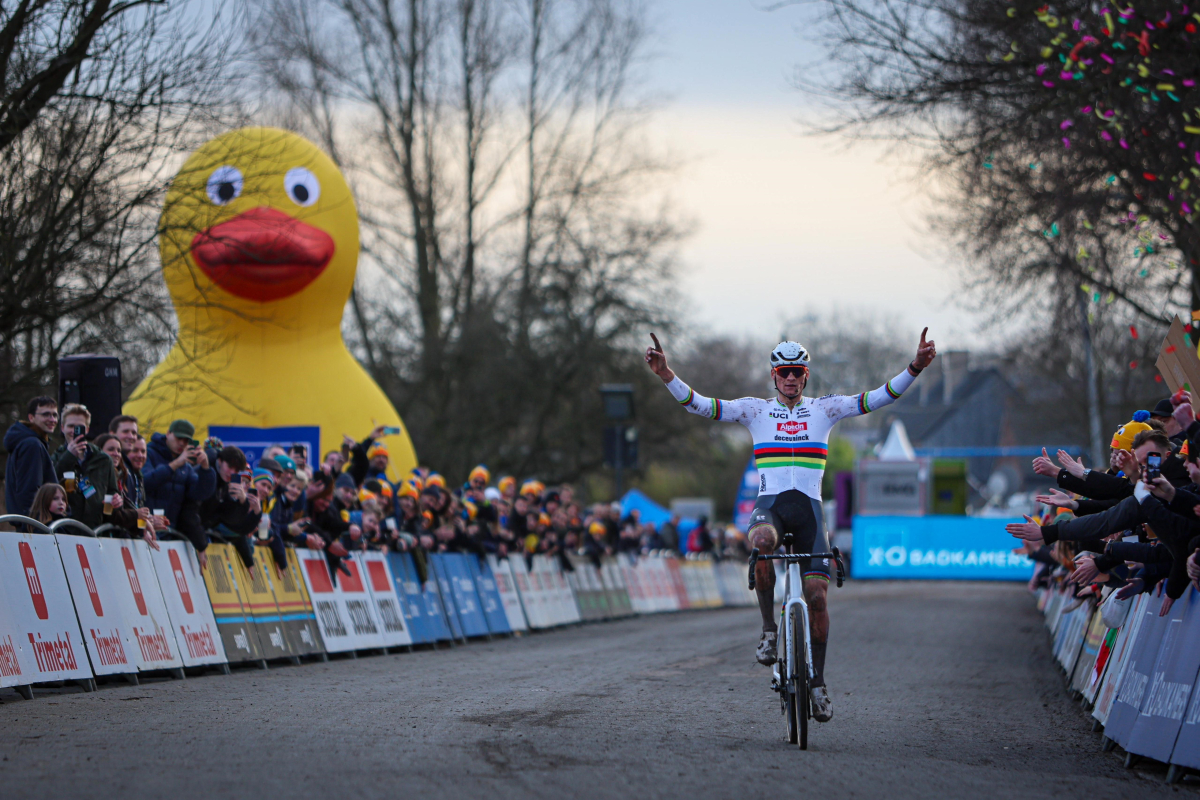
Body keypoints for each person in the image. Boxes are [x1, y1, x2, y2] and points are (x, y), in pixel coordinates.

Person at [645, 328, 937, 724]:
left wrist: (915, 367)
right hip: (772, 507)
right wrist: (667, 375)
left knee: (817, 596)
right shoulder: (755, 410)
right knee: (762, 540)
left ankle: (816, 682)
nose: (790, 378)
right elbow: (702, 406)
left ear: (806, 376)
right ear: (773, 376)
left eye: (797, 372)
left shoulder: (826, 409)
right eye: (783, 372)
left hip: (810, 513)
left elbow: (876, 398)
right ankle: (769, 631)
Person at [144, 419, 217, 563]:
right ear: (168, 433)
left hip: (171, 534)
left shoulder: (186, 467)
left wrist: (205, 469)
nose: (182, 444)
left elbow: (199, 494)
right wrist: (175, 464)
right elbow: (146, 482)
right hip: (146, 531)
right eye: (178, 438)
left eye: (186, 440)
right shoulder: (149, 453)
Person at [53, 404, 121, 529]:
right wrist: (69, 456)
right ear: (62, 428)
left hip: (95, 530)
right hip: (65, 529)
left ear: (87, 430)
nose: (74, 431)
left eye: (79, 427)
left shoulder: (103, 459)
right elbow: (49, 487)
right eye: (70, 426)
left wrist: (117, 502)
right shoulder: (56, 458)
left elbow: (112, 492)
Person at [4, 396, 60, 518]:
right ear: (31, 417)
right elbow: (30, 491)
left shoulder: (30, 442)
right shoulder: (32, 445)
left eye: (55, 415)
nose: (52, 419)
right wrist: (36, 523)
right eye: (46, 414)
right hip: (34, 526)